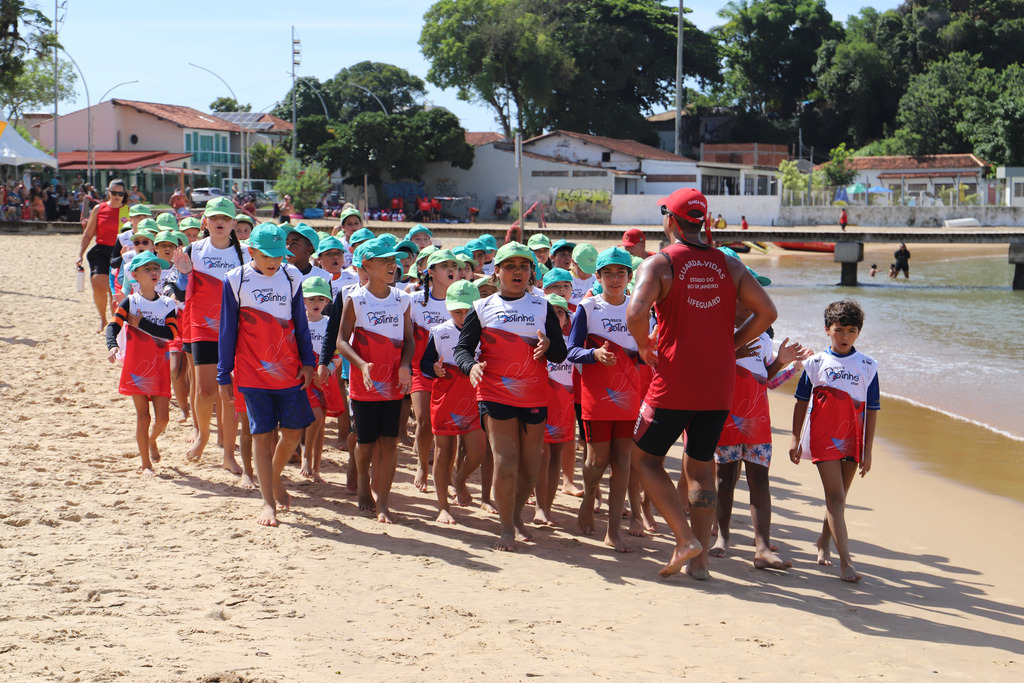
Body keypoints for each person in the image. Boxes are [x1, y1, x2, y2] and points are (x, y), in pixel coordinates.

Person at [627, 187, 777, 579]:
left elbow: (635, 310)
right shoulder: (729, 265)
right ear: (703, 222)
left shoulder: (661, 263)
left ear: (671, 221)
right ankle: (702, 564)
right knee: (701, 469)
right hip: (718, 383)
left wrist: (644, 345)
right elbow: (767, 312)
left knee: (643, 458)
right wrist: (731, 343)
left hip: (677, 379)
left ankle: (684, 539)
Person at [453, 242, 568, 551]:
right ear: (497, 272)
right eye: (510, 266)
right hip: (494, 391)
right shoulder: (482, 307)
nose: (518, 272)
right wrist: (471, 366)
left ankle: (516, 516)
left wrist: (547, 348)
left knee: (531, 468)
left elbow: (560, 351)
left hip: (533, 394)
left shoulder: (541, 306)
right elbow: (462, 349)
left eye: (524, 266)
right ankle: (505, 528)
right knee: (506, 463)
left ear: (531, 272)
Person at [710, 270, 812, 570]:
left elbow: (763, 379)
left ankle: (763, 547)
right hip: (726, 418)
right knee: (725, 480)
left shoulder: (764, 339)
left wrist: (781, 361)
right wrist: (732, 350)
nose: (756, 305)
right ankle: (723, 537)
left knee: (759, 481)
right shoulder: (717, 331)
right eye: (748, 299)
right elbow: (707, 370)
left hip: (757, 419)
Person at [218, 223, 316, 527]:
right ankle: (268, 503)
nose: (274, 261)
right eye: (267, 255)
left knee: (293, 434)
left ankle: (272, 480)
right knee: (261, 435)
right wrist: (224, 374)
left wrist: (309, 361)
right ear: (251, 252)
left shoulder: (292, 276)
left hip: (289, 369)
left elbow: (300, 323)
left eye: (279, 255)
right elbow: (227, 329)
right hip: (251, 370)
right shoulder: (236, 280)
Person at [790, 299, 879, 583]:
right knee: (837, 498)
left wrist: (868, 450)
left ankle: (823, 541)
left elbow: (872, 409)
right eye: (839, 330)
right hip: (823, 437)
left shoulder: (868, 365)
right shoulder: (815, 363)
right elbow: (801, 401)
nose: (844, 337)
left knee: (837, 500)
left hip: (853, 438)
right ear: (827, 329)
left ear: (858, 333)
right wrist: (795, 438)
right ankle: (846, 563)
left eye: (851, 331)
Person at [568, 247, 646, 552]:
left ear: (629, 277)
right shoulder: (588, 308)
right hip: (596, 396)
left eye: (621, 273)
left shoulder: (639, 310)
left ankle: (614, 531)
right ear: (597, 276)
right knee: (597, 461)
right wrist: (594, 354)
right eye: (608, 273)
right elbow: (571, 351)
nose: (615, 279)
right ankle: (588, 498)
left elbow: (646, 352)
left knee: (622, 461)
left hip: (629, 396)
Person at [336, 237, 414, 524]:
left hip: (394, 383)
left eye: (394, 260)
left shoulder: (403, 298)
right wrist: (360, 364)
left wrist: (405, 365)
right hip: (364, 384)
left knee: (390, 443)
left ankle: (383, 500)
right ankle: (362, 489)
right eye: (385, 260)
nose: (392, 265)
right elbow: (341, 340)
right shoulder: (355, 298)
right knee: (366, 444)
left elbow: (408, 340)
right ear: (367, 265)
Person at [172, 196, 248, 473]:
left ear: (233, 224)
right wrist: (183, 274)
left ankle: (228, 454)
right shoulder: (192, 250)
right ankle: (203, 435)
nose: (219, 222)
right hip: (201, 326)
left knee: (228, 395)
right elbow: (179, 293)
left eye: (225, 218)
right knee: (204, 390)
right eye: (214, 217)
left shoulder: (245, 254)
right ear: (205, 221)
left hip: (234, 330)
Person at [104, 251, 179, 476]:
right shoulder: (131, 301)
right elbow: (113, 326)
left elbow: (171, 334)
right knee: (143, 416)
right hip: (137, 366)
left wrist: (143, 323)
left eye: (156, 268)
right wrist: (112, 346)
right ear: (135, 275)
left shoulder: (167, 303)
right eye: (148, 269)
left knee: (163, 419)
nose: (154, 272)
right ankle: (145, 463)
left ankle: (151, 440)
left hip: (159, 366)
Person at [419, 280, 487, 523]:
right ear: (448, 308)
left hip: (476, 400)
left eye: (467, 311)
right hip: (445, 399)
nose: (462, 316)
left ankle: (459, 479)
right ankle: (443, 506)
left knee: (478, 451)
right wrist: (433, 369)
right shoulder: (439, 332)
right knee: (442, 453)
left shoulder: (487, 332)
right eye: (457, 310)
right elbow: (424, 364)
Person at [409, 249, 458, 492]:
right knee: (424, 421)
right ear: (430, 272)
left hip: (453, 374)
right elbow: (407, 338)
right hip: (421, 370)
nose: (451, 269)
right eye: (444, 265)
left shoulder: (463, 300)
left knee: (449, 427)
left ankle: (447, 473)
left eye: (454, 266)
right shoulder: (415, 300)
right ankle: (422, 464)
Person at [298, 276, 342, 483]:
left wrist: (329, 371)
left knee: (321, 423)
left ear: (327, 301)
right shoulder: (297, 323)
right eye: (311, 299)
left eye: (320, 299)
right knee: (315, 418)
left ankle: (316, 468)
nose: (316, 303)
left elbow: (338, 354)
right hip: (304, 378)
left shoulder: (331, 325)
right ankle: (305, 457)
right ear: (302, 301)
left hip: (325, 379)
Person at [78, 180, 129, 332]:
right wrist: (80, 254)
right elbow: (88, 233)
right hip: (101, 250)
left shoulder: (129, 211)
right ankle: (103, 318)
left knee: (116, 289)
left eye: (120, 193)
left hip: (121, 252)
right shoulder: (99, 209)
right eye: (114, 192)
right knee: (99, 284)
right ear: (108, 192)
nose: (117, 196)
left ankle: (115, 320)